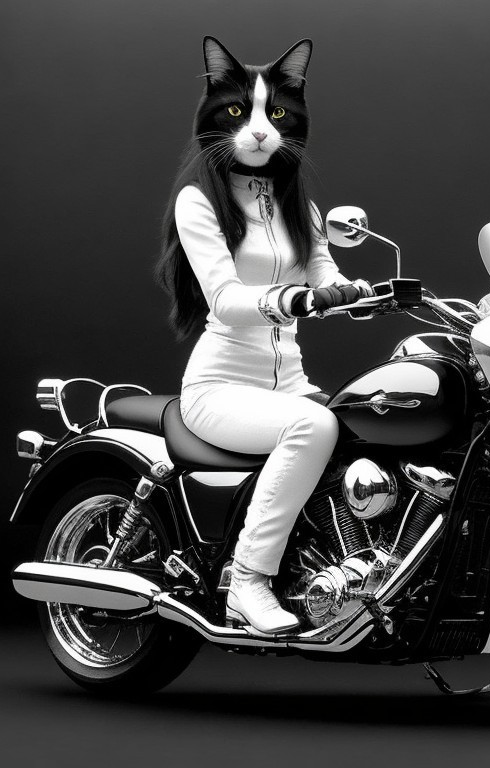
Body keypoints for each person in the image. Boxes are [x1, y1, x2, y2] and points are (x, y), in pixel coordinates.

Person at [156, 36, 372, 634]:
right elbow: (225, 300)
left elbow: (326, 271)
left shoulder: (291, 202)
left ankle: (360, 584)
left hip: (288, 382)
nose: (256, 128)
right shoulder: (199, 201)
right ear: (213, 111)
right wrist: (297, 299)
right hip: (220, 387)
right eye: (238, 112)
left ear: (293, 115)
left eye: (274, 113)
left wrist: (360, 294)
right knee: (315, 425)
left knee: (367, 425)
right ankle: (247, 582)